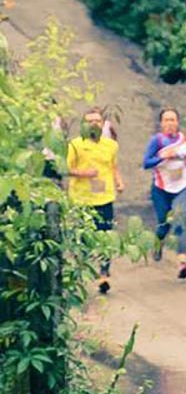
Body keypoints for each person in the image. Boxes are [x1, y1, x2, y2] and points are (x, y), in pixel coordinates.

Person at [67, 107, 125, 293]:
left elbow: (113, 166)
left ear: (103, 124)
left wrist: (119, 181)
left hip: (105, 198)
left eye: (97, 121)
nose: (94, 123)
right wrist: (84, 173)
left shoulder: (111, 145)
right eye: (89, 120)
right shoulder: (75, 145)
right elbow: (65, 169)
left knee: (105, 239)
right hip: (82, 200)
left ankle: (103, 275)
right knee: (83, 240)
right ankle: (80, 276)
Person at [143, 107, 186, 280]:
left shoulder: (185, 139)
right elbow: (146, 163)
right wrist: (164, 157)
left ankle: (182, 263)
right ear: (161, 123)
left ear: (178, 122)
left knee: (179, 221)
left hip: (182, 186)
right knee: (163, 224)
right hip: (161, 189)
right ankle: (158, 243)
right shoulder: (156, 141)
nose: (170, 123)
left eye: (173, 119)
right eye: (166, 120)